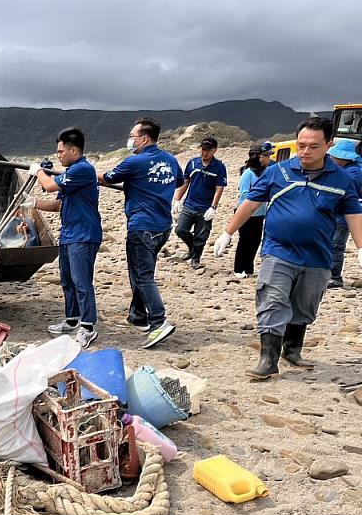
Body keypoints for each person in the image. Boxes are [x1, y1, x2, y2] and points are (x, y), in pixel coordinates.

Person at [214, 117, 362, 379]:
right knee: (272, 298)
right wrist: (227, 232)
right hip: (278, 250)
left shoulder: (342, 180)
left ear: (329, 144)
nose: (305, 151)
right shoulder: (277, 172)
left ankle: (292, 349)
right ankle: (268, 359)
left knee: (304, 304)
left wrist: (361, 248)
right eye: (301, 145)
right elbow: (250, 203)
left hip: (317, 255)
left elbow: (353, 214)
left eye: (314, 146)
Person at [97, 117, 184, 348]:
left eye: (132, 137)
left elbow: (106, 178)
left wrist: (81, 172)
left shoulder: (135, 162)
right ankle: (138, 316)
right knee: (141, 273)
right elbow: (179, 182)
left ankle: (159, 321)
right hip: (163, 227)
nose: (130, 140)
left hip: (142, 227)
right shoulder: (170, 159)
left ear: (144, 138)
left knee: (143, 276)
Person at [23, 127, 101, 349]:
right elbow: (58, 204)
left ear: (74, 150)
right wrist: (33, 203)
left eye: (61, 151)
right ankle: (72, 320)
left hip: (84, 235)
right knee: (67, 281)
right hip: (69, 234)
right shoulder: (71, 173)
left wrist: (39, 171)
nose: (58, 155)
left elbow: (47, 185)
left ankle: (88, 327)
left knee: (82, 282)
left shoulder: (83, 169)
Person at [172, 137, 228, 268]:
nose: (204, 153)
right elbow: (186, 182)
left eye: (208, 150)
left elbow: (219, 189)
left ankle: (195, 259)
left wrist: (213, 207)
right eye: (203, 149)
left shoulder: (219, 167)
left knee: (201, 235)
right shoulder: (192, 163)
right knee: (180, 229)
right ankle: (192, 249)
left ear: (214, 150)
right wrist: (177, 200)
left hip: (205, 208)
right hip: (190, 205)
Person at [233, 142, 274, 277]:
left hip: (259, 214)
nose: (269, 158)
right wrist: (261, 199)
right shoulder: (248, 173)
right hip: (245, 213)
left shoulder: (267, 172)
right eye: (266, 155)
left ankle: (249, 268)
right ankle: (239, 268)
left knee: (255, 242)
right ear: (259, 157)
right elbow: (244, 194)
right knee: (244, 241)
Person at [327, 138, 362, 288]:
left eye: (334, 157)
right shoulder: (353, 170)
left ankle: (335, 276)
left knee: (336, 244)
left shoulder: (352, 174)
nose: (332, 159)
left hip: (344, 215)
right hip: (344, 214)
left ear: (343, 157)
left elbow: (343, 194)